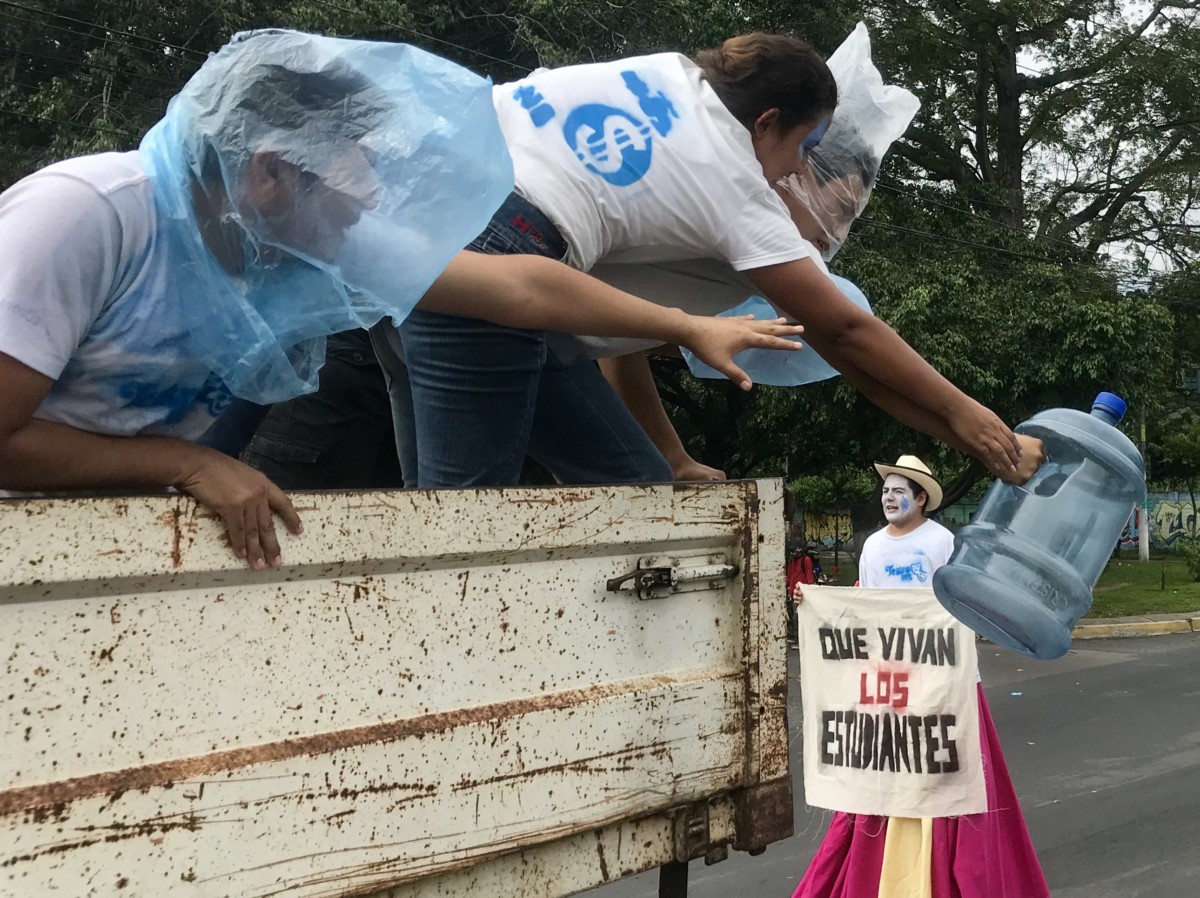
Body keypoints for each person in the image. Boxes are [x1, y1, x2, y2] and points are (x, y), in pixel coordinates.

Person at [0, 29, 804, 569]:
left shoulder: (293, 231)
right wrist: (191, 464)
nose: (362, 209)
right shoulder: (88, 216)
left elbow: (519, 286)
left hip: (123, 540)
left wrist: (689, 325)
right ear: (271, 170)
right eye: (347, 183)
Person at [383, 31, 1041, 491]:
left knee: (632, 491)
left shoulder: (673, 78)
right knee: (457, 525)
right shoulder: (739, 188)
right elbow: (847, 336)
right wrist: (979, 423)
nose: (798, 171)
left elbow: (619, 339)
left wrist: (672, 456)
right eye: (804, 153)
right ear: (767, 123)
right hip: (492, 258)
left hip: (397, 221)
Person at [794, 454, 1051, 898]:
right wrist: (816, 600)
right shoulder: (873, 546)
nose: (889, 498)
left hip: (942, 678)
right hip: (891, 680)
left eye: (899, 491)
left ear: (920, 499)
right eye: (885, 491)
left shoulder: (943, 542)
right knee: (889, 766)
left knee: (944, 766)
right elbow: (865, 604)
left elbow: (963, 599)